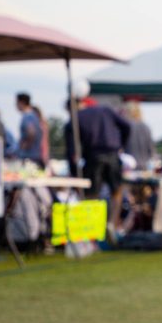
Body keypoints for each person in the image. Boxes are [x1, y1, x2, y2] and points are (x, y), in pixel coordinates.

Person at [64, 93, 132, 232]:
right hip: (113, 155)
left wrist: (74, 174)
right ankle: (112, 225)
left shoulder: (74, 120)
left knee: (91, 194)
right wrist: (121, 146)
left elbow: (71, 153)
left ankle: (92, 229)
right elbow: (127, 126)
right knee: (116, 192)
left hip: (93, 158)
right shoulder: (105, 110)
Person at [121, 101, 155, 171]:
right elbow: (151, 150)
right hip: (144, 167)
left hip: (128, 167)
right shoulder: (146, 127)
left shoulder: (125, 127)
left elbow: (120, 148)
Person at [15, 92, 47, 167]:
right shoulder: (33, 115)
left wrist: (23, 146)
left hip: (30, 157)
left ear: (21, 102)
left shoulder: (28, 116)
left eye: (16, 103)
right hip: (35, 156)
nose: (15, 105)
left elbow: (31, 132)